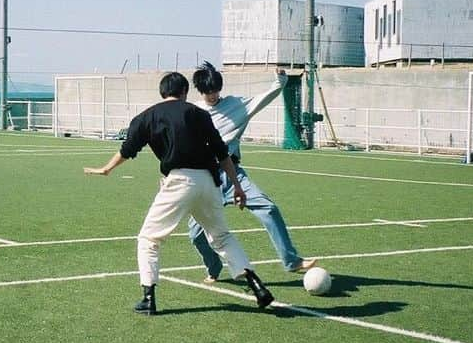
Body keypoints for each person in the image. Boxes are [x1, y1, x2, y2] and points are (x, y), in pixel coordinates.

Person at [83, 70, 275, 316]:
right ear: (185, 93)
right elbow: (222, 153)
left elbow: (128, 149)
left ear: (162, 92)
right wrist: (237, 186)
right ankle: (257, 286)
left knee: (149, 239)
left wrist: (106, 169)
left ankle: (148, 297)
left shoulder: (146, 117)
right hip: (209, 182)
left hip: (178, 181)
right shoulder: (201, 114)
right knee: (222, 236)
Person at [188, 61, 318, 284]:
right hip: (205, 178)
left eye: (215, 90)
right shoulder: (194, 112)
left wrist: (280, 81)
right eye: (207, 92)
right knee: (196, 235)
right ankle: (214, 267)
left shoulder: (236, 105)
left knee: (268, 208)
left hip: (232, 173)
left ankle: (291, 260)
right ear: (200, 91)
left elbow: (264, 98)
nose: (212, 95)